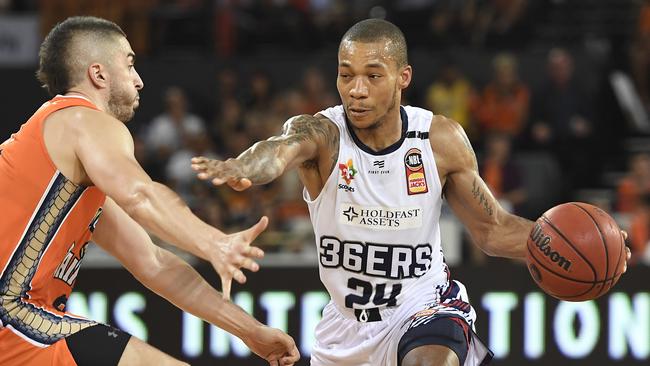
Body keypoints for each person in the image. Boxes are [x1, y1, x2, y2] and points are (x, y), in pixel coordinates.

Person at [192, 19, 631, 366]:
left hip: (423, 307)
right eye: (346, 76)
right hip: (345, 328)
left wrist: (576, 246)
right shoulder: (323, 134)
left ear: (403, 77)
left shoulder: (438, 140)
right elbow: (278, 149)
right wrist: (242, 165)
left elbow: (492, 231)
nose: (356, 90)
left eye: (372, 75)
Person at [0, 16, 299, 366]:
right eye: (129, 65)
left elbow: (154, 263)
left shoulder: (70, 172)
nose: (140, 81)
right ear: (99, 75)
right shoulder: (82, 120)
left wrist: (249, 331)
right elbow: (140, 195)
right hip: (13, 314)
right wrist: (213, 241)